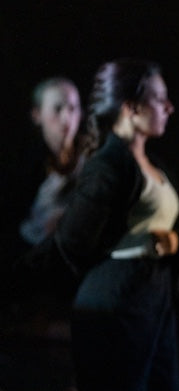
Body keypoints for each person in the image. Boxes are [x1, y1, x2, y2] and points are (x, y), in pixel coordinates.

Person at [0, 59, 179, 391]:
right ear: (131, 107)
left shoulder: (147, 163)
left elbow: (167, 226)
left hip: (152, 302)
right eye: (159, 99)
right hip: (115, 299)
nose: (169, 107)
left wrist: (173, 244)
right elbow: (70, 247)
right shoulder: (107, 164)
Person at [0, 77, 86, 337]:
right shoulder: (22, 164)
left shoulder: (92, 157)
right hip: (32, 255)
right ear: (37, 115)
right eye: (57, 109)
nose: (67, 117)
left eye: (73, 108)